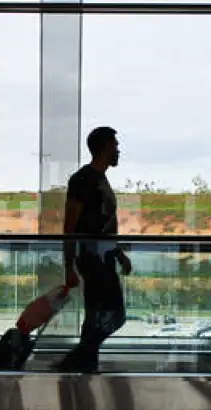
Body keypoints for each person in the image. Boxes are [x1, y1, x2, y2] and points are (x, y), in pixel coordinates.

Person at [56, 126, 132, 374]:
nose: (117, 150)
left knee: (96, 316)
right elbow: (70, 224)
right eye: (114, 145)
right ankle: (77, 359)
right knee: (115, 315)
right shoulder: (83, 179)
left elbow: (106, 225)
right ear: (103, 147)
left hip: (103, 256)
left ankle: (85, 364)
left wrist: (118, 254)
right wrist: (69, 266)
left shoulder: (100, 179)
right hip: (92, 258)